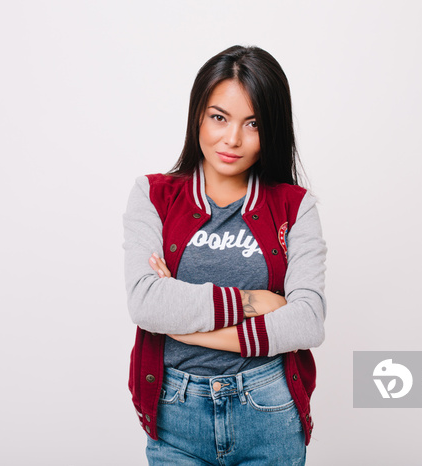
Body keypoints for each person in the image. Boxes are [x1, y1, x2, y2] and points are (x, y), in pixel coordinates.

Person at [123, 45, 327, 465]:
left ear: (272, 130)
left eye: (252, 124)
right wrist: (255, 302)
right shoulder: (154, 196)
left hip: (268, 411)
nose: (232, 139)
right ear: (198, 114)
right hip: (175, 417)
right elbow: (145, 302)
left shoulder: (295, 207)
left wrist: (188, 328)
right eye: (219, 117)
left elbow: (307, 320)